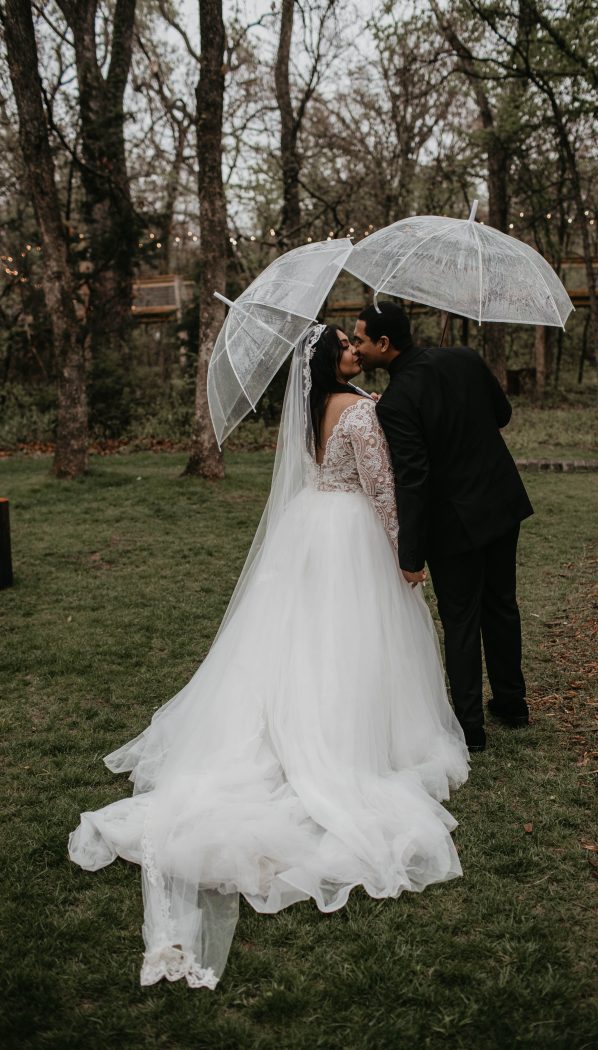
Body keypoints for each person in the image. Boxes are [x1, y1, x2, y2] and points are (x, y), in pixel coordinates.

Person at [69, 323, 468, 990]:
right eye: (344, 345)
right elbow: (380, 487)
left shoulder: (310, 411)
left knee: (300, 636)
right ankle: (351, 738)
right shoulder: (360, 410)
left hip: (308, 526)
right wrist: (406, 556)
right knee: (349, 640)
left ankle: (289, 722)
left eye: (353, 342)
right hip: (350, 535)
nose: (354, 349)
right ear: (328, 361)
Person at [352, 303, 533, 753]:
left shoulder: (396, 402)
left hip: (454, 524)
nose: (357, 348)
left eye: (360, 340)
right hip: (500, 501)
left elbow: (413, 479)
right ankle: (512, 703)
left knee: (461, 621)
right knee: (502, 605)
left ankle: (471, 728)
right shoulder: (464, 358)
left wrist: (409, 554)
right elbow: (502, 414)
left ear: (384, 344)